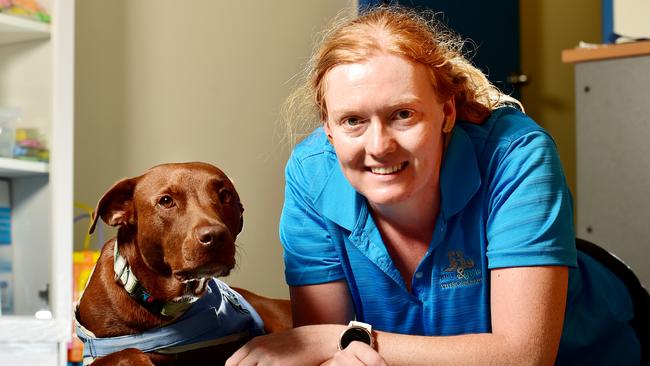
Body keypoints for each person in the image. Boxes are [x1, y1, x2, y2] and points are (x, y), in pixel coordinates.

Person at [227, 6, 641, 366]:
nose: (379, 146)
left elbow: (524, 356)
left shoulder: (518, 155)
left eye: (403, 114)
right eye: (352, 120)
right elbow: (335, 356)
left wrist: (341, 337)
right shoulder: (311, 173)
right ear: (329, 130)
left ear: (446, 112)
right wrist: (335, 344)